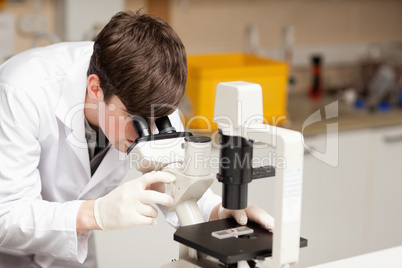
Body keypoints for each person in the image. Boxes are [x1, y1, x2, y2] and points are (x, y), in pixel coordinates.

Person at [0, 10, 273, 267]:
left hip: (69, 255)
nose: (150, 132)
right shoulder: (20, 92)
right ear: (96, 89)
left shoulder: (151, 98)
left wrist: (221, 213)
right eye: (137, 119)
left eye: (160, 119)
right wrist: (95, 214)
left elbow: (175, 184)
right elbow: (6, 215)